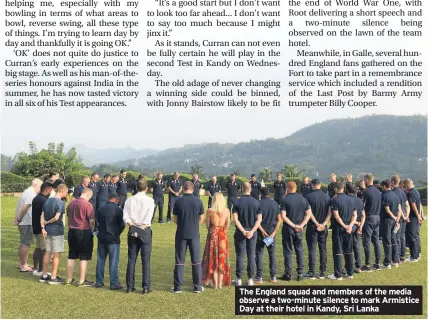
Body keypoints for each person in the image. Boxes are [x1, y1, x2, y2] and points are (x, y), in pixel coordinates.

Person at [171, 181, 205, 293]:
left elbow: (174, 219)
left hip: (181, 233)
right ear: (193, 188)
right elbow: (201, 219)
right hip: (194, 234)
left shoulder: (178, 201)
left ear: (183, 188)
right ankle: (197, 286)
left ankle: (177, 287)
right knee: (196, 261)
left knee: (180, 261)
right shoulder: (198, 201)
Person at [123, 180, 155, 294]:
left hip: (132, 229)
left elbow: (126, 217)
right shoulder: (150, 200)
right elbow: (149, 217)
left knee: (131, 259)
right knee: (145, 260)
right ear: (146, 188)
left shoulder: (129, 200)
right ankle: (146, 286)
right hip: (145, 230)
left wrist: (133, 226)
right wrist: (142, 227)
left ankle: (129, 286)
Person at [280, 181, 312, 281]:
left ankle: (288, 274)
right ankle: (300, 273)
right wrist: (301, 225)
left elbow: (283, 216)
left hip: (288, 228)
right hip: (299, 228)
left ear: (288, 188)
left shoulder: (285, 200)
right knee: (299, 250)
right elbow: (308, 213)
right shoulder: (303, 199)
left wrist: (293, 225)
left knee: (288, 250)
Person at [231, 182, 262, 286]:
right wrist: (252, 231)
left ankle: (238, 278)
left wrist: (244, 231)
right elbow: (259, 220)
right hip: (252, 232)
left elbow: (235, 219)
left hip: (241, 232)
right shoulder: (256, 202)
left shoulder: (237, 202)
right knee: (251, 255)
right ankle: (250, 279)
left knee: (240, 255)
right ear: (251, 189)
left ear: (241, 189)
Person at [40, 183, 69, 285]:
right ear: (61, 191)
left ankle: (43, 275)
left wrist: (43, 227)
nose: (66, 194)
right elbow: (57, 218)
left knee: (48, 251)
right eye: (66, 192)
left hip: (47, 230)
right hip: (57, 231)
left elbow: (42, 216)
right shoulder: (60, 203)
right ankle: (53, 277)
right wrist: (47, 223)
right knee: (57, 254)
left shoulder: (47, 201)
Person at [66, 188, 95, 286]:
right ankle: (81, 280)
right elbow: (91, 221)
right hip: (83, 231)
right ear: (88, 195)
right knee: (83, 256)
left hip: (71, 231)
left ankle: (69, 279)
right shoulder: (87, 204)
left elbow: (68, 215)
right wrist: (91, 230)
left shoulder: (71, 203)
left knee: (71, 255)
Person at [95, 193, 125, 290]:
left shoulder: (101, 209)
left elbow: (98, 223)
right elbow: (122, 224)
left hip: (102, 237)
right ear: (116, 200)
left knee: (100, 260)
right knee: (113, 261)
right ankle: (113, 283)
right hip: (113, 238)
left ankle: (99, 282)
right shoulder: (118, 210)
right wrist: (118, 233)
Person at [328, 181, 357, 280]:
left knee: (338, 250)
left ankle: (338, 274)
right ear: (343, 189)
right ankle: (350, 273)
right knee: (349, 250)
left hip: (339, 227)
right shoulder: (351, 199)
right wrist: (350, 226)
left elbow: (336, 216)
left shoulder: (335, 200)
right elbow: (355, 215)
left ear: (336, 189)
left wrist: (345, 226)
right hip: (349, 227)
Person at [202, 192, 231, 289]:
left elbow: (207, 224)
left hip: (212, 234)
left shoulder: (210, 210)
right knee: (221, 259)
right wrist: (223, 231)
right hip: (222, 235)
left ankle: (214, 283)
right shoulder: (226, 211)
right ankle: (220, 283)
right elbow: (228, 223)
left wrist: (212, 231)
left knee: (213, 259)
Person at [304, 179, 331, 279]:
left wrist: (316, 224)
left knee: (312, 248)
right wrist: (323, 224)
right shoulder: (327, 197)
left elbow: (308, 213)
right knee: (323, 248)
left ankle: (311, 271)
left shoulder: (309, 197)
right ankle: (322, 271)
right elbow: (330, 213)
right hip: (323, 227)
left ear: (313, 185)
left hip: (312, 226)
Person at [14, 178, 43, 272]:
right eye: (40, 187)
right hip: (26, 222)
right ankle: (24, 265)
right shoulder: (31, 194)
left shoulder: (26, 192)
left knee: (23, 242)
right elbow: (24, 208)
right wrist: (19, 219)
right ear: (36, 185)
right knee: (26, 244)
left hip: (23, 221)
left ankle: (21, 263)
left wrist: (18, 218)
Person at [254, 188, 281, 284]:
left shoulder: (258, 203)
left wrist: (262, 230)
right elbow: (279, 219)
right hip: (271, 232)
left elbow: (256, 220)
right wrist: (274, 233)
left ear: (261, 194)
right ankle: (273, 276)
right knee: (272, 254)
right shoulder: (275, 204)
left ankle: (259, 276)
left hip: (261, 232)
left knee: (259, 253)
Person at [31, 181, 53, 276]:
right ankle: (41, 270)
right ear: (48, 190)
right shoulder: (45, 201)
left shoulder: (36, 198)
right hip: (41, 227)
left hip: (35, 226)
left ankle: (35, 268)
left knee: (38, 247)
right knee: (43, 249)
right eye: (51, 190)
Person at [361, 173, 382, 272]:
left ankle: (368, 264)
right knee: (376, 240)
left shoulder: (366, 192)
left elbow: (363, 207)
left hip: (369, 217)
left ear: (366, 180)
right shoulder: (378, 191)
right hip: (377, 217)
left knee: (367, 241)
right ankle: (377, 263)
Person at [380, 179, 402, 269]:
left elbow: (387, 209)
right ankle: (395, 261)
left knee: (387, 241)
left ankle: (387, 262)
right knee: (394, 240)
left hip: (387, 220)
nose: (381, 188)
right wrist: (397, 219)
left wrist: (393, 217)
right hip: (395, 220)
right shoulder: (395, 195)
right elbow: (399, 209)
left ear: (385, 186)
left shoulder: (384, 196)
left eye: (382, 186)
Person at [346, 183, 365, 274]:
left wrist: (355, 223)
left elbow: (349, 215)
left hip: (350, 225)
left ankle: (348, 267)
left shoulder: (348, 200)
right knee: (356, 246)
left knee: (348, 247)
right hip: (358, 226)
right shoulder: (360, 200)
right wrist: (360, 226)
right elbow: (363, 215)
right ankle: (358, 266)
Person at [391, 175, 410, 262]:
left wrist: (402, 216)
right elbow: (407, 205)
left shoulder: (394, 192)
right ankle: (402, 255)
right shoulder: (403, 192)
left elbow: (399, 207)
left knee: (396, 237)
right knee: (402, 236)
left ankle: (396, 256)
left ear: (392, 182)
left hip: (398, 217)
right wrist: (406, 216)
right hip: (404, 218)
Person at [404, 179, 422, 262]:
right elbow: (420, 204)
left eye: (405, 185)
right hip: (416, 217)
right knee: (416, 236)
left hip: (413, 217)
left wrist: (418, 215)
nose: (405, 187)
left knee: (412, 236)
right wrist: (420, 215)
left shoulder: (410, 193)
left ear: (408, 184)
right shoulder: (416, 192)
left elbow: (413, 204)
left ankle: (414, 256)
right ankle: (418, 253)